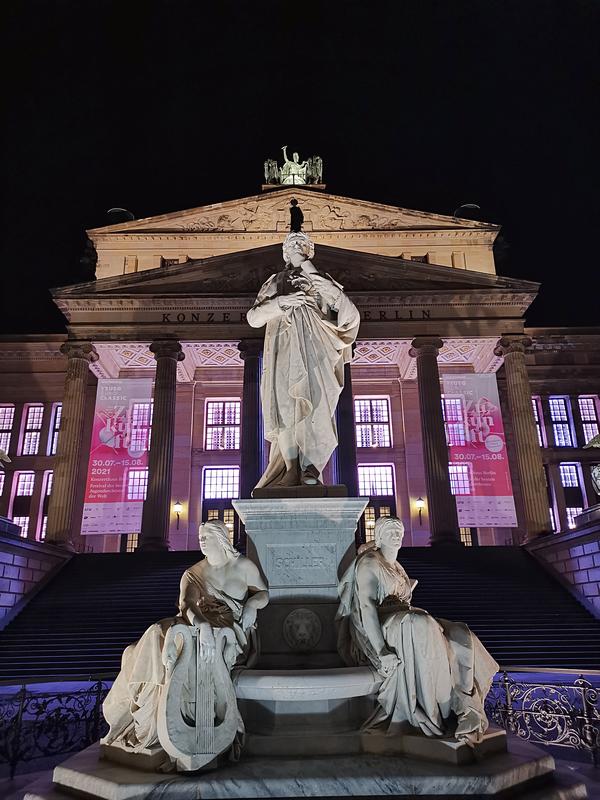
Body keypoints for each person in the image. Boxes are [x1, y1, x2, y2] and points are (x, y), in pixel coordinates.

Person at [101, 520, 269, 764]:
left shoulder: (243, 566)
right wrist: (201, 625)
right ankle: (146, 717)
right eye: (200, 536)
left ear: (221, 538)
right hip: (196, 623)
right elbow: (187, 605)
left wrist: (253, 603)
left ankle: (176, 724)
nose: (201, 541)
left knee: (185, 647)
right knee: (155, 633)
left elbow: (263, 593)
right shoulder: (194, 572)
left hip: (230, 630)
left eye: (206, 537)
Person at [337, 517, 498, 744]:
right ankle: (439, 711)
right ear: (379, 536)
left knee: (460, 634)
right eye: (390, 531)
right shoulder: (370, 562)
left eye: (399, 531)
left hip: (403, 617)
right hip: (379, 627)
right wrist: (382, 650)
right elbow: (366, 607)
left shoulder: (397, 566)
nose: (396, 536)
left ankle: (464, 707)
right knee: (421, 625)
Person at [247, 231, 360, 488]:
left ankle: (311, 466)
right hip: (284, 349)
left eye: (302, 245)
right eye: (292, 245)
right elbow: (254, 318)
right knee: (285, 406)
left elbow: (341, 306)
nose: (297, 248)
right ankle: (289, 467)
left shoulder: (321, 280)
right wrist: (282, 302)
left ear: (310, 252)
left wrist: (308, 268)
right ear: (285, 253)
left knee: (317, 406)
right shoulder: (275, 282)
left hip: (317, 348)